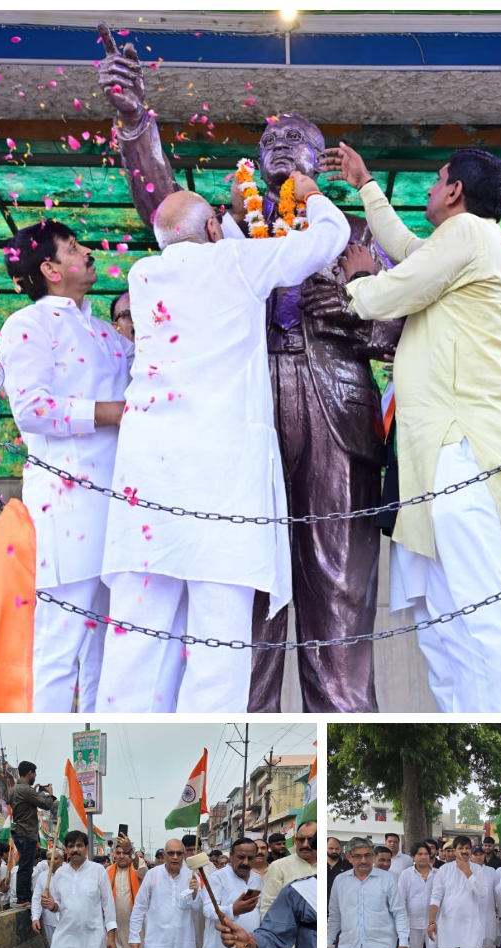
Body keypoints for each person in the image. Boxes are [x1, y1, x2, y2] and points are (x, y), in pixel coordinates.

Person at [98, 29, 403, 714]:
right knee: (245, 596)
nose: (281, 152)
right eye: (270, 145)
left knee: (338, 594)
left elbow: (397, 332)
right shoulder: (229, 237)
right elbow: (167, 213)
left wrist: (355, 301)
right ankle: (246, 725)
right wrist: (135, 124)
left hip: (335, 416)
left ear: (318, 162)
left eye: (296, 143)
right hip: (247, 421)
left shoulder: (360, 236)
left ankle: (340, 718)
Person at [96, 171, 350, 714]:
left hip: (150, 474)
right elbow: (330, 238)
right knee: (218, 641)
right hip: (221, 475)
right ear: (213, 228)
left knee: (135, 638)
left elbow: (210, 255)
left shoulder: (143, 275)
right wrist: (310, 195)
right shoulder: (237, 263)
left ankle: (119, 735)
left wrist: (227, 220)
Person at [329, 142, 501, 711]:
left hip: (460, 450)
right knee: (441, 621)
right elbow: (410, 252)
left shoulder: (471, 234)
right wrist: (365, 185)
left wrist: (359, 279)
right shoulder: (460, 244)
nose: (430, 189)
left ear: (455, 191)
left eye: (436, 180)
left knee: (481, 606)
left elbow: (393, 290)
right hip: (432, 457)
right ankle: (473, 729)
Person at [0, 219, 132, 712]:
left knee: (108, 650)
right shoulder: (29, 325)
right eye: (74, 247)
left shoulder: (105, 333)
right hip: (67, 508)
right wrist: (111, 412)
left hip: (117, 509)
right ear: (51, 269)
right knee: (59, 647)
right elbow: (31, 409)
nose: (88, 252)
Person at [428, 834, 485, 948]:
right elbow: (436, 895)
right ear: (454, 850)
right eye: (461, 848)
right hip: (448, 923)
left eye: (467, 848)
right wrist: (432, 920)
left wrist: (468, 872)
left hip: (470, 924)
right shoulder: (444, 870)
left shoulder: (477, 869)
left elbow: (482, 893)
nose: (464, 851)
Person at [105, 836, 146, 948]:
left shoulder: (137, 869)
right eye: (119, 853)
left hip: (133, 925)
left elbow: (144, 871)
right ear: (114, 854)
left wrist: (133, 853)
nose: (122, 856)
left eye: (125, 853)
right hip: (111, 925)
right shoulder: (107, 871)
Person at [8, 762, 58, 908]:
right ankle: (23, 899)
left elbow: (26, 803)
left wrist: (34, 794)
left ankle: (24, 898)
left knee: (25, 867)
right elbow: (46, 805)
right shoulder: (25, 790)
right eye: (35, 773)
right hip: (26, 832)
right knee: (26, 868)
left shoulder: (15, 789)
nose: (35, 776)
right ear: (30, 772)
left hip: (20, 832)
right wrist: (50, 793)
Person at [398, 841, 439, 948]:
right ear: (413, 857)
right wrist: (400, 926)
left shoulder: (438, 874)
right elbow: (401, 900)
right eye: (420, 854)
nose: (423, 857)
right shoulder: (406, 875)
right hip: (413, 923)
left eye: (426, 853)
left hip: (433, 924)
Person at [469, 845, 497, 948]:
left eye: (481, 854)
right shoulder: (466, 870)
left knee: (489, 939)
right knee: (472, 940)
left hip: (488, 911)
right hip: (471, 912)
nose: (478, 857)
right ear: (471, 856)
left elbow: (497, 892)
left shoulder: (491, 871)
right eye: (475, 854)